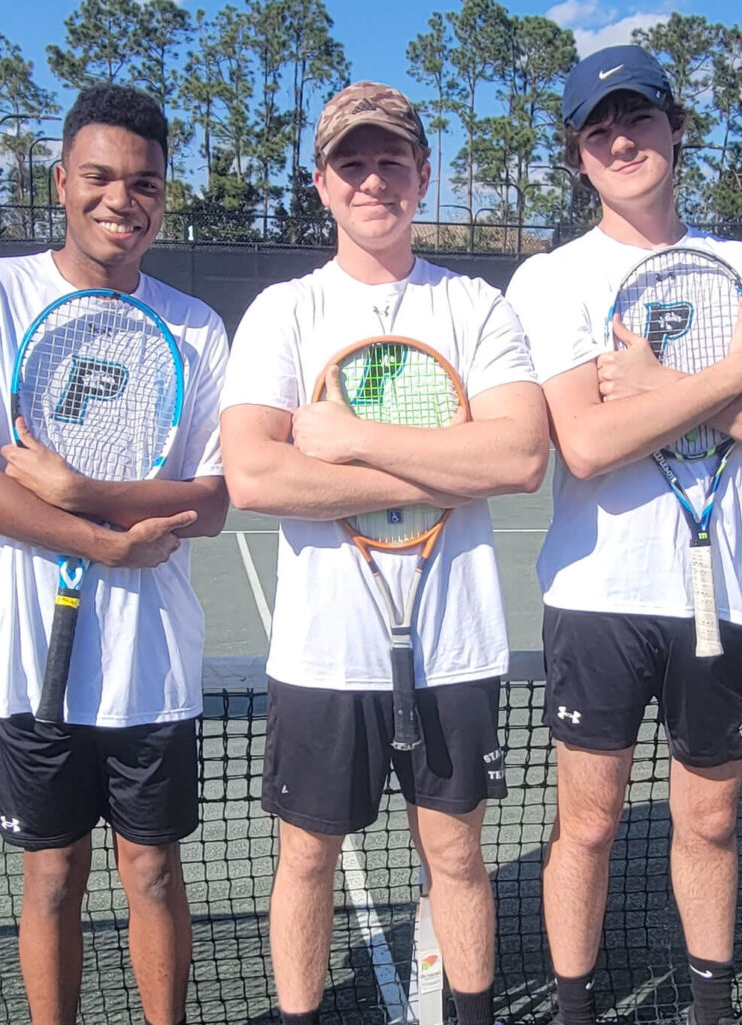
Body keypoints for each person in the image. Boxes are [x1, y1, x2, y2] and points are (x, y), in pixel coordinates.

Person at [504, 45, 742, 1025]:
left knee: (712, 818)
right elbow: (592, 440)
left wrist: (660, 390)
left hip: (723, 596)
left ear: (674, 125)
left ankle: (709, 1007)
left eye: (637, 117)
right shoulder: (552, 280)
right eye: (597, 128)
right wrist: (729, 378)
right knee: (590, 822)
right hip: (599, 598)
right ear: (576, 154)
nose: (620, 139)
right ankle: (574, 1007)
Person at [218, 82, 548, 1025]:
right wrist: (447, 461)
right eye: (351, 164)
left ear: (423, 175)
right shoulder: (284, 312)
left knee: (455, 856)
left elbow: (520, 456)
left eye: (391, 161)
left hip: (458, 648)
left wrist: (350, 440)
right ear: (322, 183)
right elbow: (257, 477)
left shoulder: (476, 307)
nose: (373, 180)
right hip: (325, 656)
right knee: (307, 858)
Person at [0, 83, 230, 1025]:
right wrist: (105, 544)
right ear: (60, 180)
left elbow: (210, 499)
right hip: (27, 659)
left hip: (152, 666)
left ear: (163, 197)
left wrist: (81, 493)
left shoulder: (197, 327)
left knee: (154, 873)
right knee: (52, 876)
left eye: (144, 183)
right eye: (98, 177)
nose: (119, 200)